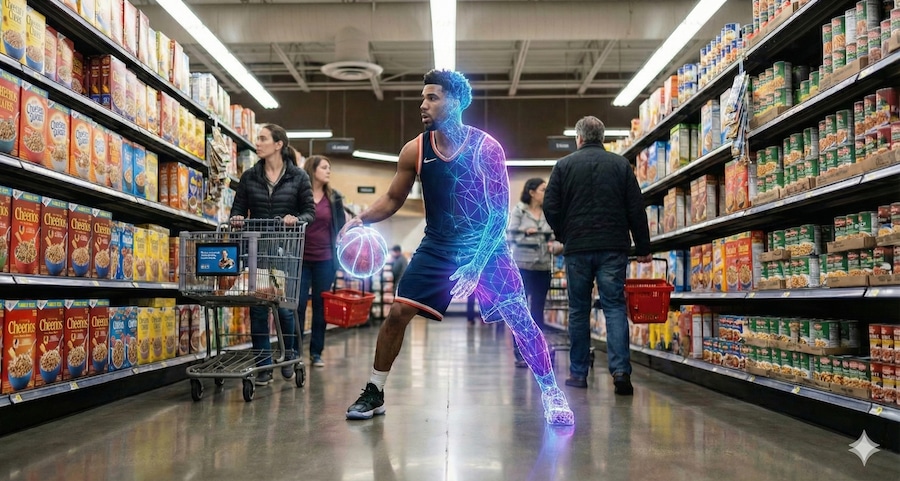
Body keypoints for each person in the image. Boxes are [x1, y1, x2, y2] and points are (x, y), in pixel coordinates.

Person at [342, 69, 573, 425]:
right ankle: (375, 391)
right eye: (423, 97)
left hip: (488, 247)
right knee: (397, 313)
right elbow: (391, 198)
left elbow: (498, 216)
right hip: (438, 246)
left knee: (522, 320)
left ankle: (552, 393)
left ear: (457, 102)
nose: (423, 104)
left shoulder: (487, 148)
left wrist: (475, 265)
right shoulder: (415, 150)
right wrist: (362, 220)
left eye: (432, 98)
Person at [543, 115, 652, 395]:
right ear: (602, 138)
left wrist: (563, 234)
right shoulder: (620, 165)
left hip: (578, 247)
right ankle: (620, 373)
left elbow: (550, 206)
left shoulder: (564, 166)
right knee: (614, 306)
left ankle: (578, 374)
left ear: (578, 139)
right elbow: (635, 208)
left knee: (579, 310)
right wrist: (643, 248)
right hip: (613, 246)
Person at [230, 123, 316, 385]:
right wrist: (235, 219)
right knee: (258, 309)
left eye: (263, 139)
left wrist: (295, 218)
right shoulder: (249, 176)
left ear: (278, 144)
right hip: (258, 251)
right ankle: (264, 366)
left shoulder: (299, 177)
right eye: (258, 139)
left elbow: (309, 212)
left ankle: (289, 352)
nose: (258, 143)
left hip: (285, 251)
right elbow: (237, 209)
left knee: (285, 309)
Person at [299, 155, 347, 368]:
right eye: (324, 167)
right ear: (313, 170)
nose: (328, 171)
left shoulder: (334, 198)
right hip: (300, 259)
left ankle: (316, 352)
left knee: (321, 306)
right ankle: (294, 350)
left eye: (330, 167)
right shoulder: (300, 196)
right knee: (297, 305)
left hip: (325, 260)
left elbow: (341, 227)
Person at [507, 178, 560, 367]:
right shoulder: (519, 211)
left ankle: (537, 353)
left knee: (537, 311)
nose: (546, 193)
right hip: (522, 267)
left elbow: (557, 236)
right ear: (531, 192)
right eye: (543, 189)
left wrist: (556, 246)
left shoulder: (549, 213)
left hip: (543, 267)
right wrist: (525, 233)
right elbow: (510, 235)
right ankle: (520, 353)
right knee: (521, 313)